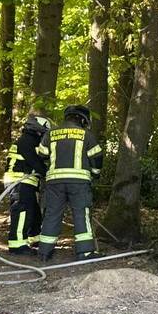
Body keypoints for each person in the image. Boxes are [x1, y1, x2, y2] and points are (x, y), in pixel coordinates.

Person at [36, 105, 104, 262]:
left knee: (52, 213)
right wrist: (95, 174)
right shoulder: (87, 135)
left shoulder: (51, 133)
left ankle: (44, 252)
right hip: (79, 183)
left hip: (54, 182)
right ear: (82, 119)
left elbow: (42, 154)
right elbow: (97, 157)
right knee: (81, 213)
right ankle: (85, 252)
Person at [1, 112, 52, 255]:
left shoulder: (28, 141)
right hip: (19, 182)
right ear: (39, 130)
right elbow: (36, 163)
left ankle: (34, 238)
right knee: (22, 211)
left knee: (33, 211)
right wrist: (50, 174)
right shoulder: (27, 142)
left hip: (25, 182)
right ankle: (17, 245)